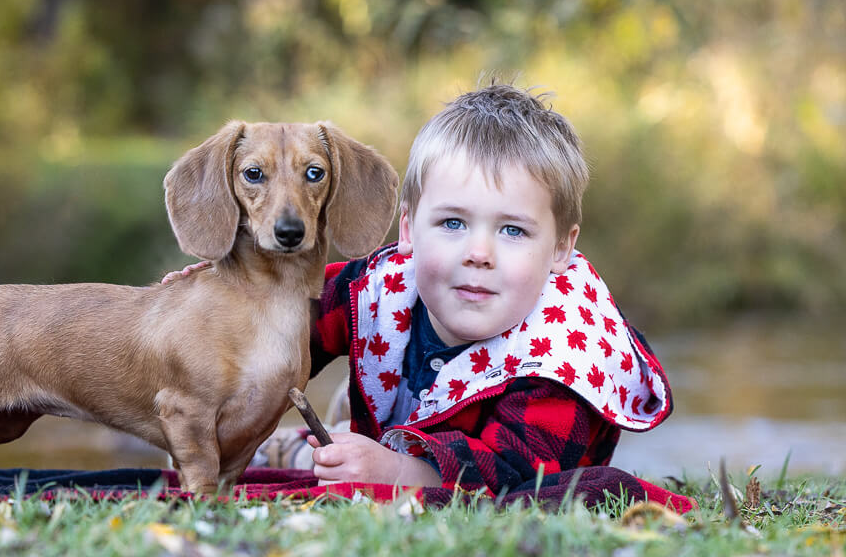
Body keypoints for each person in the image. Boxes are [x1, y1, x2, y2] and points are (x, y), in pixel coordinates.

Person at [170, 83, 673, 493]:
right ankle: (305, 443)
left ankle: (318, 444)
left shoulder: (564, 360)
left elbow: (520, 477)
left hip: (485, 460)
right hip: (397, 432)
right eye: (453, 223)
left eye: (512, 230)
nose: (479, 253)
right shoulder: (380, 288)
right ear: (408, 230)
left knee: (360, 454)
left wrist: (397, 475)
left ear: (561, 247)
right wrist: (217, 302)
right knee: (331, 433)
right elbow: (283, 316)